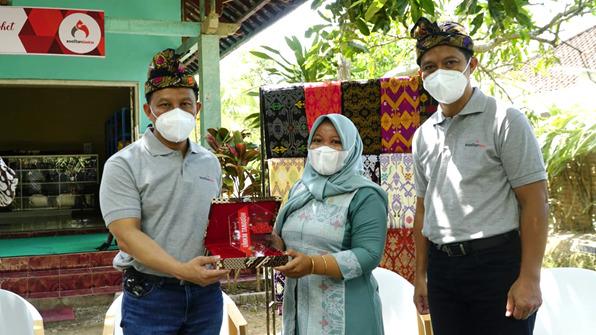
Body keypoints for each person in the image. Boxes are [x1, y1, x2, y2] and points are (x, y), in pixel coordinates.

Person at [410, 18, 549, 335]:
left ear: (471, 64)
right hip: (443, 270)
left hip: (497, 266)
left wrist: (530, 277)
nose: (440, 72)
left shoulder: (505, 120)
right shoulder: (422, 135)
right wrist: (421, 275)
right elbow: (422, 209)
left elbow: (534, 200)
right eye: (430, 66)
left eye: (450, 62)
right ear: (421, 75)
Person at [99, 48, 229, 335]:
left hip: (205, 295)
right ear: (149, 110)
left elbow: (215, 225)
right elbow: (127, 236)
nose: (176, 112)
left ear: (197, 108)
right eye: (165, 105)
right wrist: (182, 270)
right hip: (150, 295)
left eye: (185, 103)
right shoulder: (123, 164)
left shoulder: (209, 162)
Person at [272, 114, 389, 335]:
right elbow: (285, 243)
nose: (324, 148)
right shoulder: (300, 189)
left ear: (351, 148)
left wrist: (313, 265)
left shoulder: (365, 195)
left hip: (347, 316)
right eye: (317, 140)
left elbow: (369, 254)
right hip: (301, 310)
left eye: (336, 142)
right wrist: (263, 241)